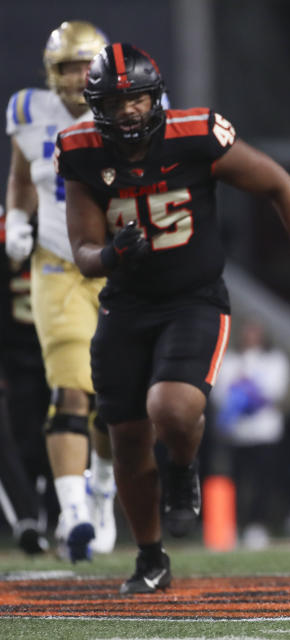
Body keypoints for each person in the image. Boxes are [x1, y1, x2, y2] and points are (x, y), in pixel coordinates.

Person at [58, 43, 290, 594]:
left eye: (138, 99)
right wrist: (112, 254)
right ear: (97, 110)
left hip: (193, 297)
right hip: (126, 304)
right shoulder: (82, 152)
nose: (130, 113)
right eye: (116, 104)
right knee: (128, 438)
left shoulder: (196, 134)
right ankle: (150, 556)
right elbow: (83, 250)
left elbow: (280, 183)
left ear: (155, 96)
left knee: (172, 406)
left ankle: (184, 466)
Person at [5, 20, 118, 562]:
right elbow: (24, 174)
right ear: (53, 72)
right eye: (68, 67)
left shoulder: (129, 106)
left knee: (115, 395)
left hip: (119, 260)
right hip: (56, 260)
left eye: (85, 65)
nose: (77, 77)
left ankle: (102, 489)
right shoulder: (27, 111)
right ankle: (73, 513)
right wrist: (17, 220)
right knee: (70, 385)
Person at [211, 321, 290, 548]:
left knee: (262, 481)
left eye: (256, 332)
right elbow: (219, 393)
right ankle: (232, 526)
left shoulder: (275, 360)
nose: (251, 337)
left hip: (265, 432)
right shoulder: (229, 360)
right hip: (237, 433)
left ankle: (258, 526)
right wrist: (237, 394)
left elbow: (275, 390)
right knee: (235, 480)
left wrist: (250, 391)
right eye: (247, 332)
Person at [1, 205, 50, 555]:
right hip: (17, 355)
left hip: (53, 349)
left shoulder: (55, 231)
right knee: (22, 441)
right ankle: (30, 517)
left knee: (63, 431)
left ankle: (60, 515)